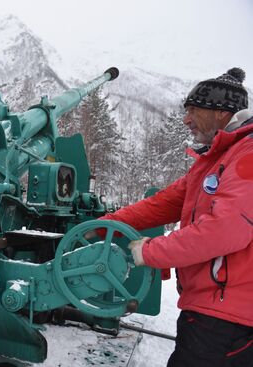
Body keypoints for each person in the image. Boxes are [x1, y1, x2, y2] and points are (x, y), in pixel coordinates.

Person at [97, 68, 253, 366]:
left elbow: (224, 230)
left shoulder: (247, 154)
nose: (186, 119)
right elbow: (162, 204)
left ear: (222, 113)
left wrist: (149, 251)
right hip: (211, 311)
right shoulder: (215, 159)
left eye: (193, 110)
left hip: (229, 319)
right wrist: (109, 224)